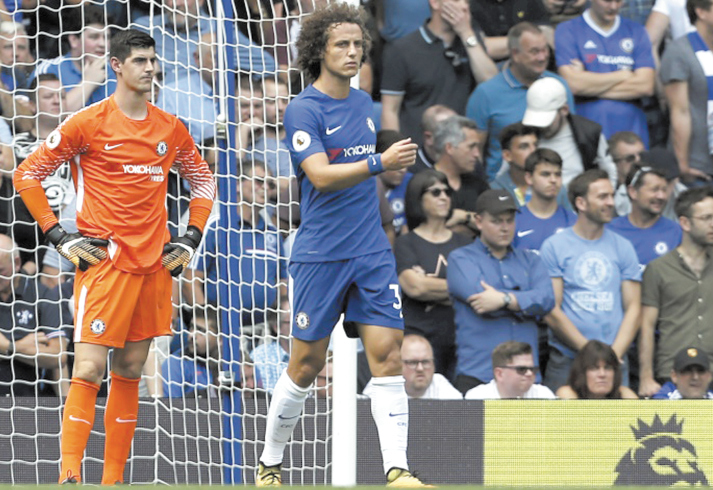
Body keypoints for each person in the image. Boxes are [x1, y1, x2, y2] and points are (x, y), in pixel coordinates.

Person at [13, 29, 216, 484]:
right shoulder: (88, 122)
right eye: (141, 60)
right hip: (103, 265)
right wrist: (58, 236)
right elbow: (27, 175)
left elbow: (203, 182)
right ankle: (69, 474)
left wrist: (190, 237)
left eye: (153, 60)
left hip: (154, 267)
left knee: (129, 371)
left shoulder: (170, 127)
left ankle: (112, 480)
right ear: (117, 67)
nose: (150, 68)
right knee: (87, 367)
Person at [257, 4, 428, 487]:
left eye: (358, 45)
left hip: (370, 250)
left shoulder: (362, 103)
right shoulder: (302, 109)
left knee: (388, 352)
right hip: (320, 254)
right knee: (306, 365)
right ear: (318, 51)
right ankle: (270, 462)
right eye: (342, 45)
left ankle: (397, 469)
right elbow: (319, 176)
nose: (353, 53)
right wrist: (379, 162)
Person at [541, 170, 641, 392]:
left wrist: (611, 356)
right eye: (602, 197)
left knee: (616, 427)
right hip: (568, 360)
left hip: (615, 361)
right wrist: (591, 354)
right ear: (581, 203)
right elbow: (552, 309)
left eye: (611, 196)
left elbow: (634, 308)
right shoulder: (554, 246)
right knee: (560, 426)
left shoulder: (623, 246)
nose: (611, 202)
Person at [447, 189, 555, 393]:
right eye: (497, 221)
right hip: (478, 375)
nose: (505, 228)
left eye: (510, 220)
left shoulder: (531, 260)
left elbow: (547, 299)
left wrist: (504, 299)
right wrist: (525, 303)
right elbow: (480, 300)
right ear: (478, 221)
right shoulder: (460, 258)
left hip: (527, 379)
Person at [187, 159, 287, 356]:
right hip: (221, 334)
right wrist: (208, 326)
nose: (265, 188)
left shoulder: (273, 234)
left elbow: (282, 282)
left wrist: (282, 314)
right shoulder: (217, 226)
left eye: (271, 184)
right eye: (259, 181)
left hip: (264, 334)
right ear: (238, 185)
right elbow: (191, 281)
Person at [380, 0, 496, 146]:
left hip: (462, 149)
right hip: (418, 150)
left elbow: (492, 85)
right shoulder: (401, 49)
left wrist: (466, 33)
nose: (464, 6)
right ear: (434, 3)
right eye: (456, 0)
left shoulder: (472, 42)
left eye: (466, 1)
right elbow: (390, 110)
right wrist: (396, 155)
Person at [467, 22, 574, 180]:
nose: (542, 57)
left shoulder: (559, 86)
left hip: (552, 182)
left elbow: (570, 136)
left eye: (545, 50)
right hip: (503, 186)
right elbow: (475, 151)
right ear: (515, 54)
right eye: (534, 52)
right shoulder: (486, 94)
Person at [395, 170, 472, 379]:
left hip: (460, 342)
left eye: (447, 192)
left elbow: (476, 289)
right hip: (418, 344)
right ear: (418, 198)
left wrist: (430, 283)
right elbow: (415, 287)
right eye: (435, 192)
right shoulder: (405, 243)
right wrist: (459, 290)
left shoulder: (465, 243)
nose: (444, 197)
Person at [638, 187, 713, 397]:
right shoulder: (658, 268)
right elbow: (647, 326)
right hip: (673, 375)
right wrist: (645, 377)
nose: (712, 224)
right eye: (706, 218)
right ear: (685, 223)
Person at [554, 0, 655, 145]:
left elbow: (646, 86)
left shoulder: (637, 31)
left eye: (618, 1)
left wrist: (587, 83)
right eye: (607, 1)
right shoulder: (567, 30)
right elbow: (573, 85)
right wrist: (623, 75)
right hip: (586, 133)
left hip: (632, 132)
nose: (613, 7)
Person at [0, 234, 70, 397]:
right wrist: (25, 346)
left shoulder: (42, 294)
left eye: (0, 270)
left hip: (29, 401)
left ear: (17, 263)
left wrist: (9, 347)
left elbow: (58, 357)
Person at [522, 77, 617, 189]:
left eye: (548, 120)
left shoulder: (589, 133)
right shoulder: (523, 135)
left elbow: (609, 170)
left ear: (564, 110)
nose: (543, 127)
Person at [660, 0, 713, 185]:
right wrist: (682, 165)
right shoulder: (680, 51)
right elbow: (679, 112)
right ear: (701, 12)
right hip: (698, 163)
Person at [33, 3, 116, 112]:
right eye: (94, 37)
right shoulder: (49, 69)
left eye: (107, 37)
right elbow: (53, 116)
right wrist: (88, 82)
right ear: (74, 40)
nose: (103, 44)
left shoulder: (118, 71)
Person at [608, 165, 682, 271]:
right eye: (654, 189)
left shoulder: (677, 233)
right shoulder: (610, 231)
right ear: (633, 192)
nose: (661, 196)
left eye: (664, 190)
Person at [431, 115, 489, 231]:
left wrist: (463, 216)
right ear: (450, 148)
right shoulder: (425, 184)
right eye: (471, 146)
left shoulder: (478, 184)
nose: (477, 154)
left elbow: (493, 223)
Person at [513, 148, 576, 251]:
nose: (553, 180)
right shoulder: (514, 221)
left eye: (558, 174)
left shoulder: (573, 221)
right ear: (529, 178)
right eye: (545, 174)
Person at [363, 334, 462, 400]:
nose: (420, 368)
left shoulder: (440, 385)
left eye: (425, 362)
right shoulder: (380, 386)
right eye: (412, 362)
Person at [162, 306, 220, 398]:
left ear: (220, 338)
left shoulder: (234, 362)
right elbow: (168, 409)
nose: (192, 335)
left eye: (201, 331)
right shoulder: (175, 364)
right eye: (192, 327)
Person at [465, 341, 555, 399]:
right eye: (521, 369)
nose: (529, 373)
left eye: (532, 369)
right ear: (499, 374)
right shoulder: (477, 397)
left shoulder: (544, 395)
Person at [469, 1, 553, 61]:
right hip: (489, 65)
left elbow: (547, 35)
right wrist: (528, 43)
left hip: (532, 61)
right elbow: (483, 48)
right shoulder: (470, 4)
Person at [556, 340, 638, 399]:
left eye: (607, 368)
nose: (602, 374)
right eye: (594, 368)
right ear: (582, 373)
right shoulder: (567, 393)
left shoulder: (624, 394)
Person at [250, 298, 290, 394]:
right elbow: (265, 399)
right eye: (291, 321)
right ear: (277, 327)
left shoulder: (317, 352)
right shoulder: (261, 356)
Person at [378, 130, 413, 236]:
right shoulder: (368, 188)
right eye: (397, 163)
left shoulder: (412, 183)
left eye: (406, 163)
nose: (403, 170)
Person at [411, 104, 457, 174]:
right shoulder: (411, 169)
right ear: (429, 138)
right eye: (449, 133)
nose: (458, 138)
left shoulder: (463, 164)